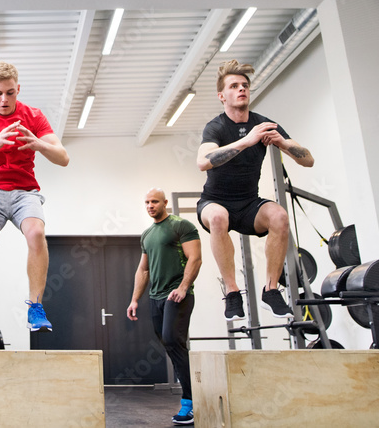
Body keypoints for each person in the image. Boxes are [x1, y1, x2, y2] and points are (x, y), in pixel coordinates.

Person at [0, 61, 70, 337]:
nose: (4, 99)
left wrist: (39, 143)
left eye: (9, 93)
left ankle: (35, 307)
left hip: (24, 192)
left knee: (36, 233)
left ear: (18, 89)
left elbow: (63, 158)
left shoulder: (33, 115)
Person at [196, 60, 313, 321]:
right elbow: (203, 161)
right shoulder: (216, 127)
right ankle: (233, 291)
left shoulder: (265, 124)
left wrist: (282, 142)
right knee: (217, 217)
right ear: (221, 96)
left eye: (245, 85)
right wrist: (247, 141)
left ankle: (271, 291)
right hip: (214, 202)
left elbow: (308, 159)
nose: (241, 90)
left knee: (279, 216)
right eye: (234, 86)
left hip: (249, 204)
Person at [128, 188, 201, 426]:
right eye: (147, 202)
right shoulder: (147, 235)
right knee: (169, 344)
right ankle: (194, 392)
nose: (150, 205)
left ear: (165, 203)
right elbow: (143, 269)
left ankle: (189, 402)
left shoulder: (181, 225)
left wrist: (183, 287)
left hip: (177, 295)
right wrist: (134, 299)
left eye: (155, 201)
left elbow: (195, 258)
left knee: (172, 339)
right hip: (156, 297)